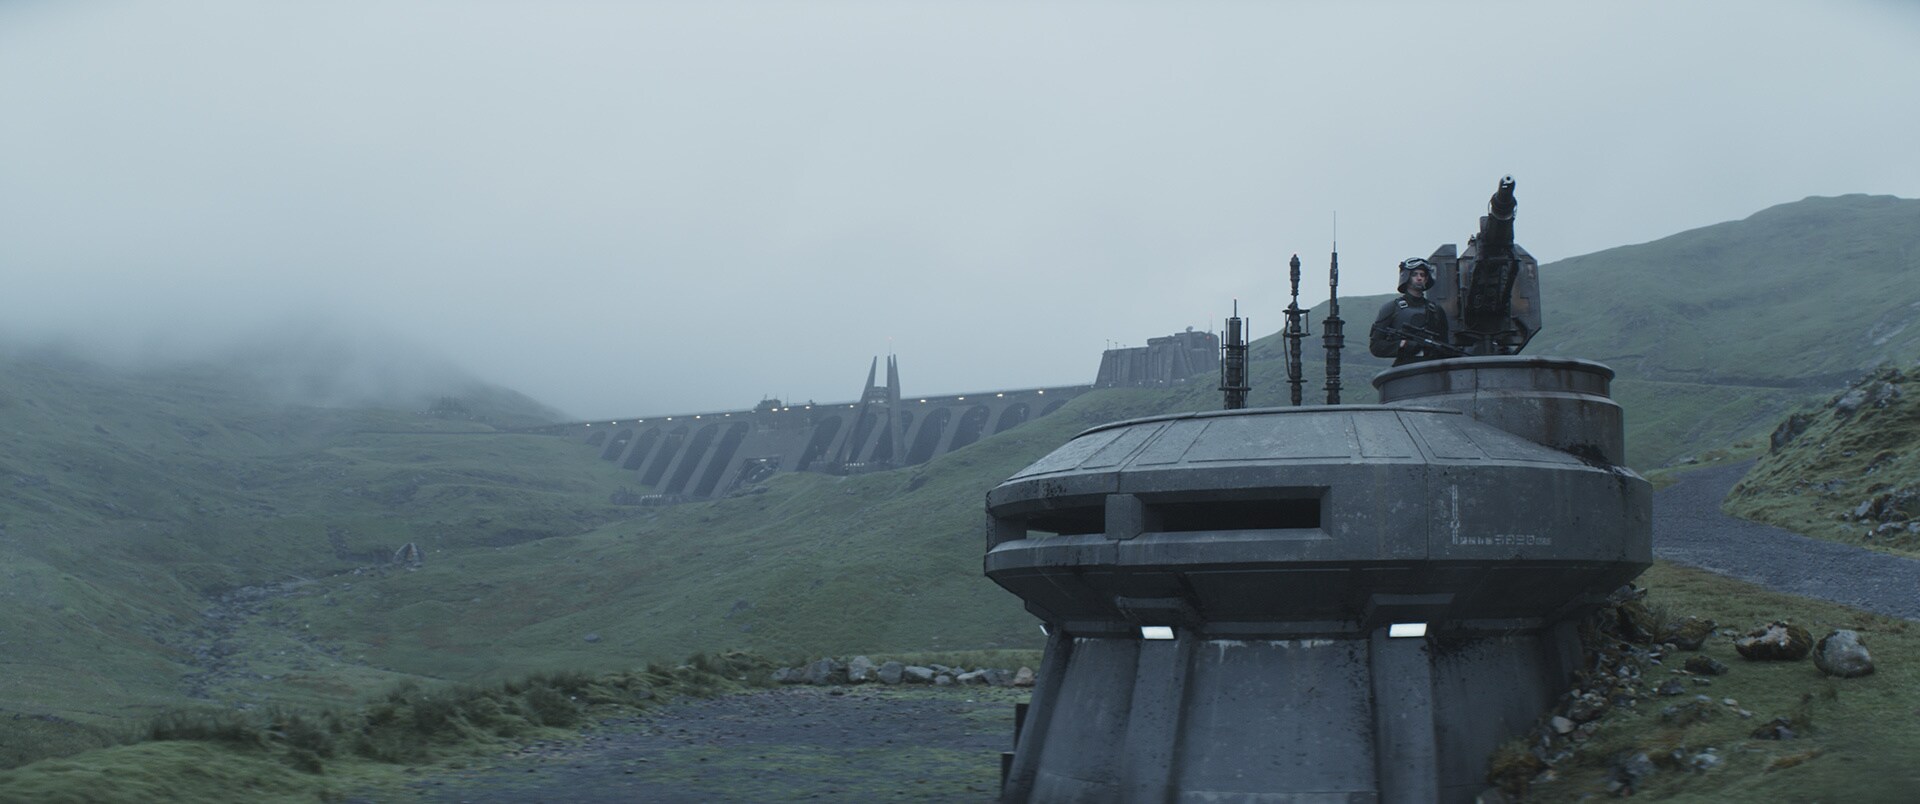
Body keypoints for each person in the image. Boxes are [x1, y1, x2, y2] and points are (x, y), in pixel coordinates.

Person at [1369, 258, 1453, 366]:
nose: (1419, 278)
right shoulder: (1392, 308)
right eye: (1415, 274)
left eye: (1422, 275)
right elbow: (1376, 346)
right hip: (1405, 369)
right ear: (1407, 277)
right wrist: (1402, 344)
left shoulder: (1436, 310)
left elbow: (1444, 344)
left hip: (1432, 368)